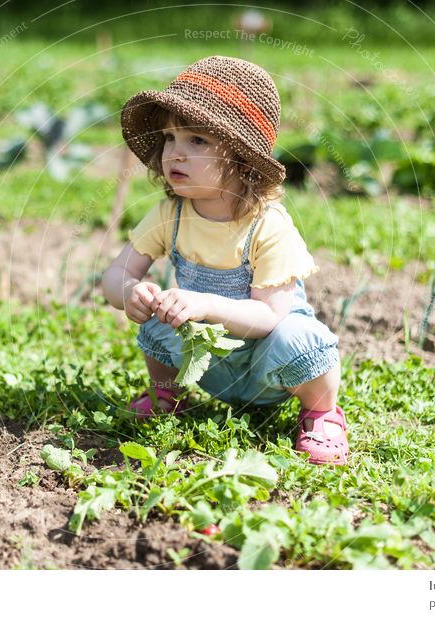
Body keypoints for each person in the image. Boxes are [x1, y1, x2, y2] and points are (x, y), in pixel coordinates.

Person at [101, 56, 347, 465]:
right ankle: (166, 394)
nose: (175, 154)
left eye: (197, 141)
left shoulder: (268, 225)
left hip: (268, 366)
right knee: (160, 316)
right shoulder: (172, 213)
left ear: (242, 159)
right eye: (169, 139)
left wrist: (205, 304)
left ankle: (322, 415)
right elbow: (118, 272)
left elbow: (268, 316)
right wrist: (130, 292)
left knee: (302, 339)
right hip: (206, 363)